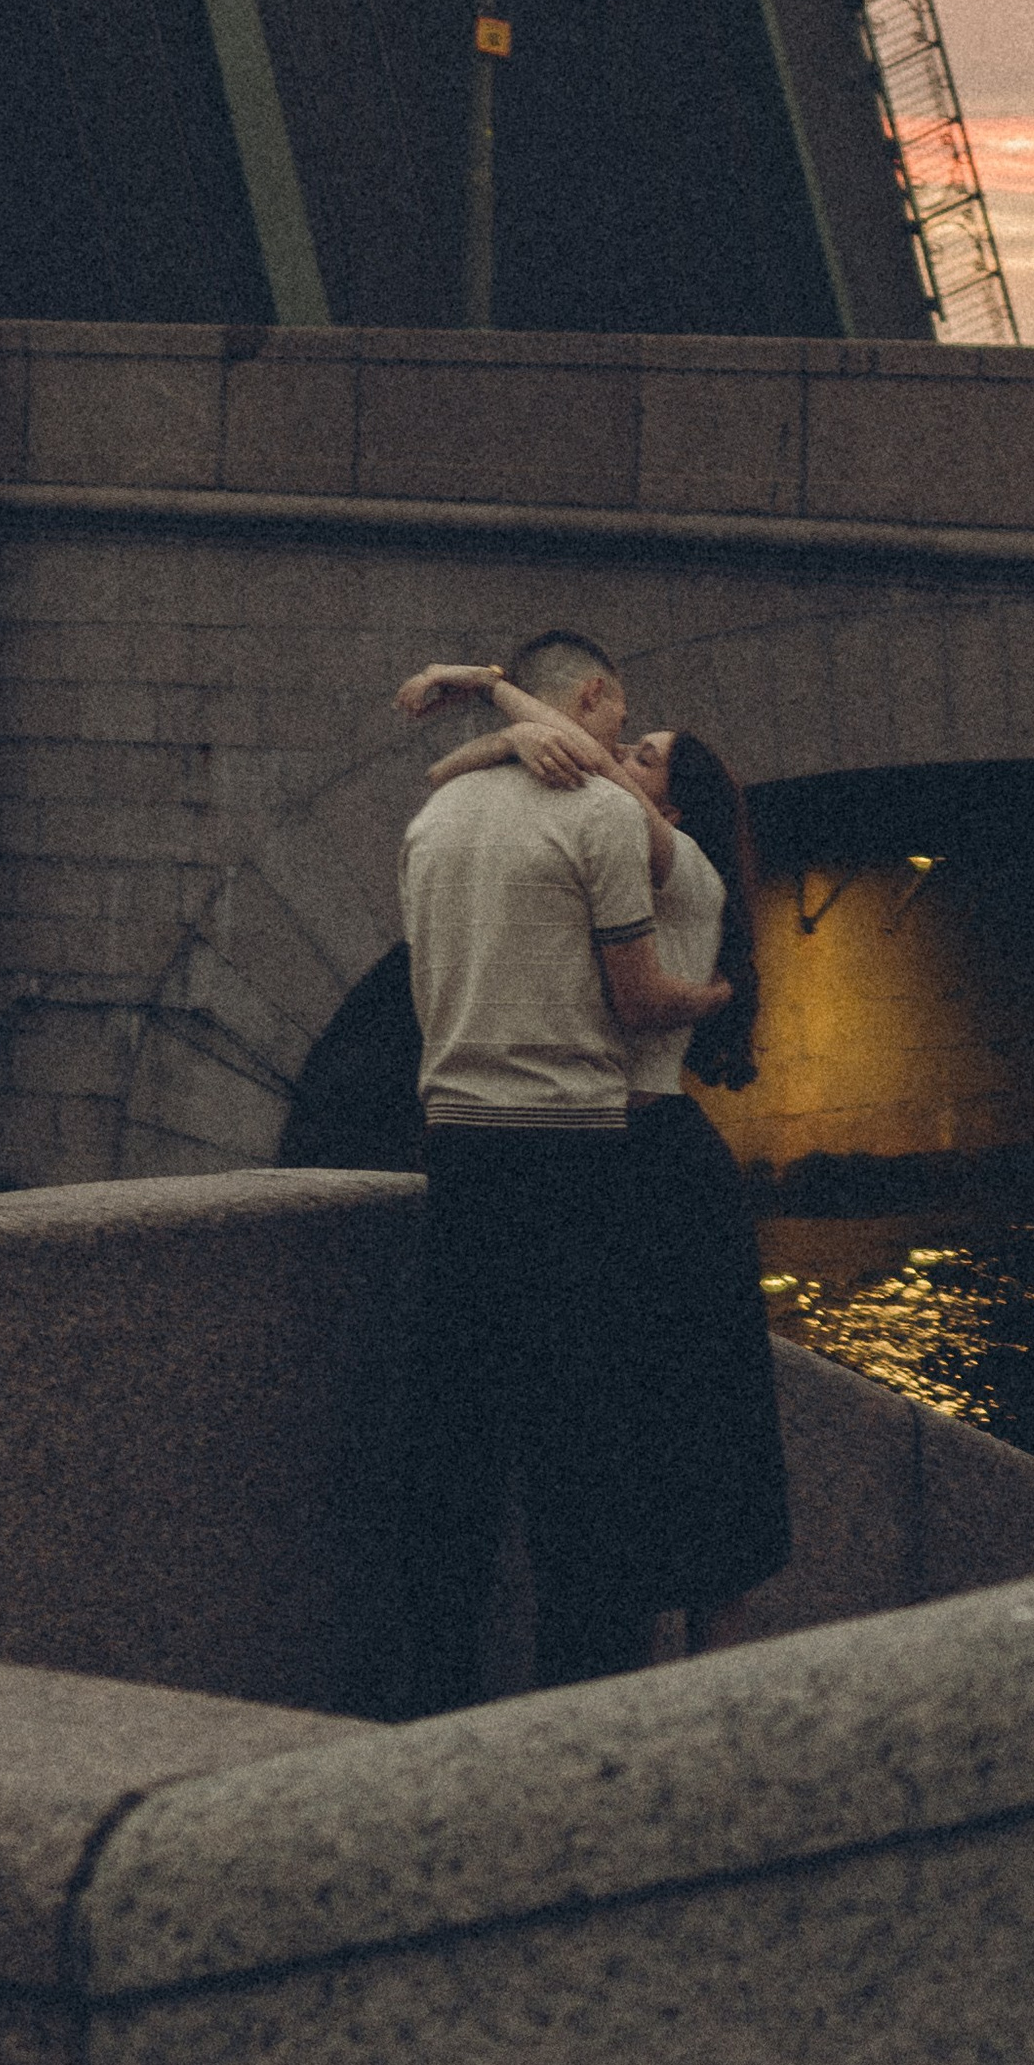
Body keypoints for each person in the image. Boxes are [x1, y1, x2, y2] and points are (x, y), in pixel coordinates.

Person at [413, 668, 792, 1649]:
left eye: (646, 758)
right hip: (625, 1158)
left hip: (657, 1159)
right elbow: (452, 770)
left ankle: (698, 1653)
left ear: (672, 800)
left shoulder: (680, 860)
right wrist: (504, 739)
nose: (623, 759)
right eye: (632, 744)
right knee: (640, 1432)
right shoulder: (635, 843)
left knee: (698, 1430)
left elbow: (564, 761)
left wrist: (490, 691)